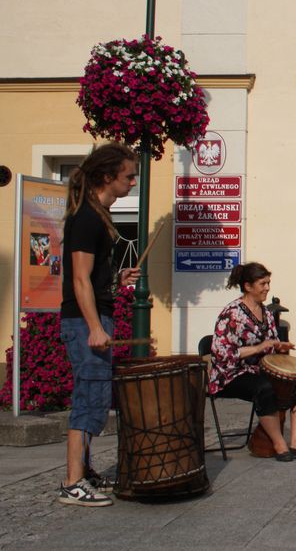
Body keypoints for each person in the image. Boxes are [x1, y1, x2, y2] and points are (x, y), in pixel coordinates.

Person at [58, 143, 141, 507]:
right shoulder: (87, 219)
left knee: (95, 396)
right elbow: (79, 279)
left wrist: (117, 280)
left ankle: (85, 471)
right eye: (129, 176)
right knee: (88, 398)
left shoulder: (97, 215)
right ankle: (72, 482)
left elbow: (91, 279)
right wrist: (94, 326)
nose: (133, 182)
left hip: (92, 318)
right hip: (83, 322)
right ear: (107, 177)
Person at [208, 262, 296, 462]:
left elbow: (270, 344)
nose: (267, 288)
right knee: (264, 388)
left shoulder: (267, 313)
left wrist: (279, 347)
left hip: (257, 370)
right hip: (229, 375)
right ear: (248, 286)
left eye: (268, 283)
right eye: (262, 284)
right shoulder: (232, 313)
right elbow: (220, 353)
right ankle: (279, 444)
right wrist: (258, 348)